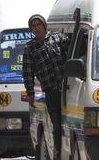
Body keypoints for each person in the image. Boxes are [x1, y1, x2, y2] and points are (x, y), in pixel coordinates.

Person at [22, 14, 69, 160]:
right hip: (51, 92)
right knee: (57, 127)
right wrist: (30, 93)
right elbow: (28, 71)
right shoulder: (30, 48)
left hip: (67, 90)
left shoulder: (58, 38)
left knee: (69, 125)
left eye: (38, 24)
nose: (36, 28)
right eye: (33, 26)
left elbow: (71, 54)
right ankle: (58, 155)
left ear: (44, 25)